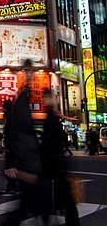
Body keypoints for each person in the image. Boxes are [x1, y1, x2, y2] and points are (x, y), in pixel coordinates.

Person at [2, 60, 41, 226]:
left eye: (31, 72)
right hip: (26, 163)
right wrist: (11, 163)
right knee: (25, 206)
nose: (30, 75)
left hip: (29, 161)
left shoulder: (22, 100)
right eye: (27, 72)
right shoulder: (18, 104)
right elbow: (13, 133)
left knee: (28, 205)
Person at [39, 89, 80, 225]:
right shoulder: (52, 116)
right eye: (45, 97)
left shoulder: (51, 117)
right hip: (55, 163)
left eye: (48, 97)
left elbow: (52, 140)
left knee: (59, 198)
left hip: (53, 163)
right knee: (64, 199)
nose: (46, 99)